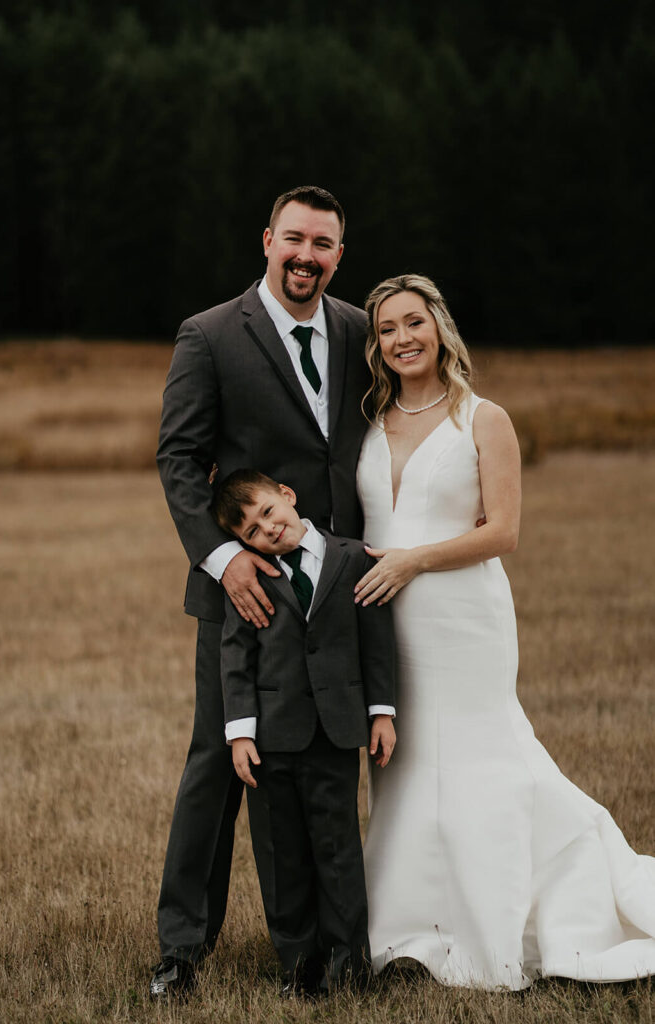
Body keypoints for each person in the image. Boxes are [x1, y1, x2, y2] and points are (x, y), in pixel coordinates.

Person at [355, 273, 655, 990]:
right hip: (381, 622)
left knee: (481, 761)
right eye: (386, 328)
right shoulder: (367, 423)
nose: (401, 338)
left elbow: (505, 531)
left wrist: (414, 560)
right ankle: (407, 930)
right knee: (401, 765)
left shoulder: (481, 418)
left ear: (439, 328)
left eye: (412, 323)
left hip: (461, 618)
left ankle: (505, 921)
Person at [152, 186, 371, 999]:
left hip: (339, 595)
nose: (306, 256)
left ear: (338, 256)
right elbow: (178, 459)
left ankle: (335, 944)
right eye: (294, 239)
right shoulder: (209, 335)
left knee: (327, 772)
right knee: (217, 764)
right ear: (267, 240)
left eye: (323, 244)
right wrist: (222, 560)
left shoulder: (357, 329)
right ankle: (181, 951)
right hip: (245, 596)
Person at [213, 469, 396, 996]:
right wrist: (240, 734)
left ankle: (350, 966)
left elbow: (375, 642)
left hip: (335, 732)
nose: (266, 530)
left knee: (338, 850)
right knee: (281, 855)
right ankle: (300, 968)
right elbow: (236, 655)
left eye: (268, 512)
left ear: (287, 497)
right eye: (250, 531)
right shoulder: (250, 577)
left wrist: (380, 713)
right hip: (271, 739)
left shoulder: (353, 558)